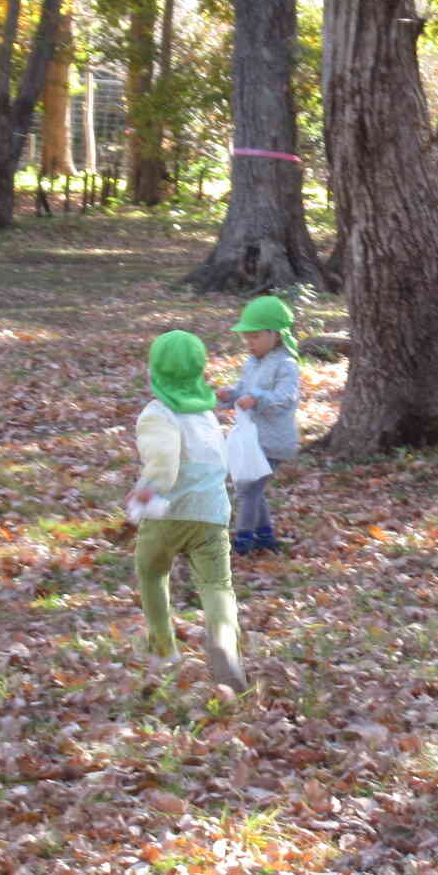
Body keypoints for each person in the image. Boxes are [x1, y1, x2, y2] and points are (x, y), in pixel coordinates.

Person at [128, 330, 245, 688]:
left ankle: (163, 648)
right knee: (217, 585)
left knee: (151, 572)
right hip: (211, 514)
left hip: (168, 514)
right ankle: (224, 641)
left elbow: (163, 461)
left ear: (154, 372)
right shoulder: (206, 415)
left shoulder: (158, 414)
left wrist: (147, 490)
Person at [228, 295, 302, 555]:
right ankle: (265, 535)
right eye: (246, 338)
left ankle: (244, 540)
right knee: (251, 488)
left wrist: (257, 399)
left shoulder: (286, 365)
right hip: (251, 439)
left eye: (255, 337)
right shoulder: (252, 363)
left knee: (248, 489)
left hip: (273, 442)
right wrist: (229, 395)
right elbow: (243, 391)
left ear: (275, 334)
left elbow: (286, 399)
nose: (249, 343)